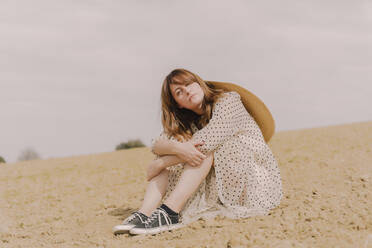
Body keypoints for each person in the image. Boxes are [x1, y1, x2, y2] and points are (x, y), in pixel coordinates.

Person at [112, 68, 283, 235]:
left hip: (250, 180)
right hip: (221, 183)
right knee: (176, 148)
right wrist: (177, 148)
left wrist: (160, 163)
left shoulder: (228, 101)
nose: (187, 91)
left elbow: (207, 142)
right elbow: (158, 144)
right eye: (179, 91)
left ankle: (170, 212)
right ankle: (145, 213)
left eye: (189, 83)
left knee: (201, 151)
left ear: (199, 83)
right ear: (178, 103)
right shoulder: (190, 123)